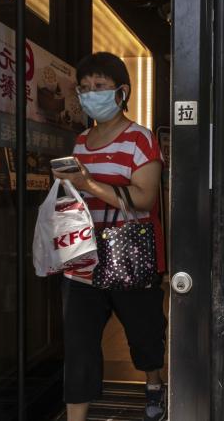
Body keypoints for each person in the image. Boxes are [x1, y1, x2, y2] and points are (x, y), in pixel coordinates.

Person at [52, 52, 167, 421]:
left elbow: (145, 198)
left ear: (121, 92)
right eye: (84, 89)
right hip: (84, 256)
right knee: (80, 344)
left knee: (144, 332)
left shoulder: (141, 139)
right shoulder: (81, 141)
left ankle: (153, 383)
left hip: (130, 253)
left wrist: (88, 182)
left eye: (98, 87)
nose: (90, 95)